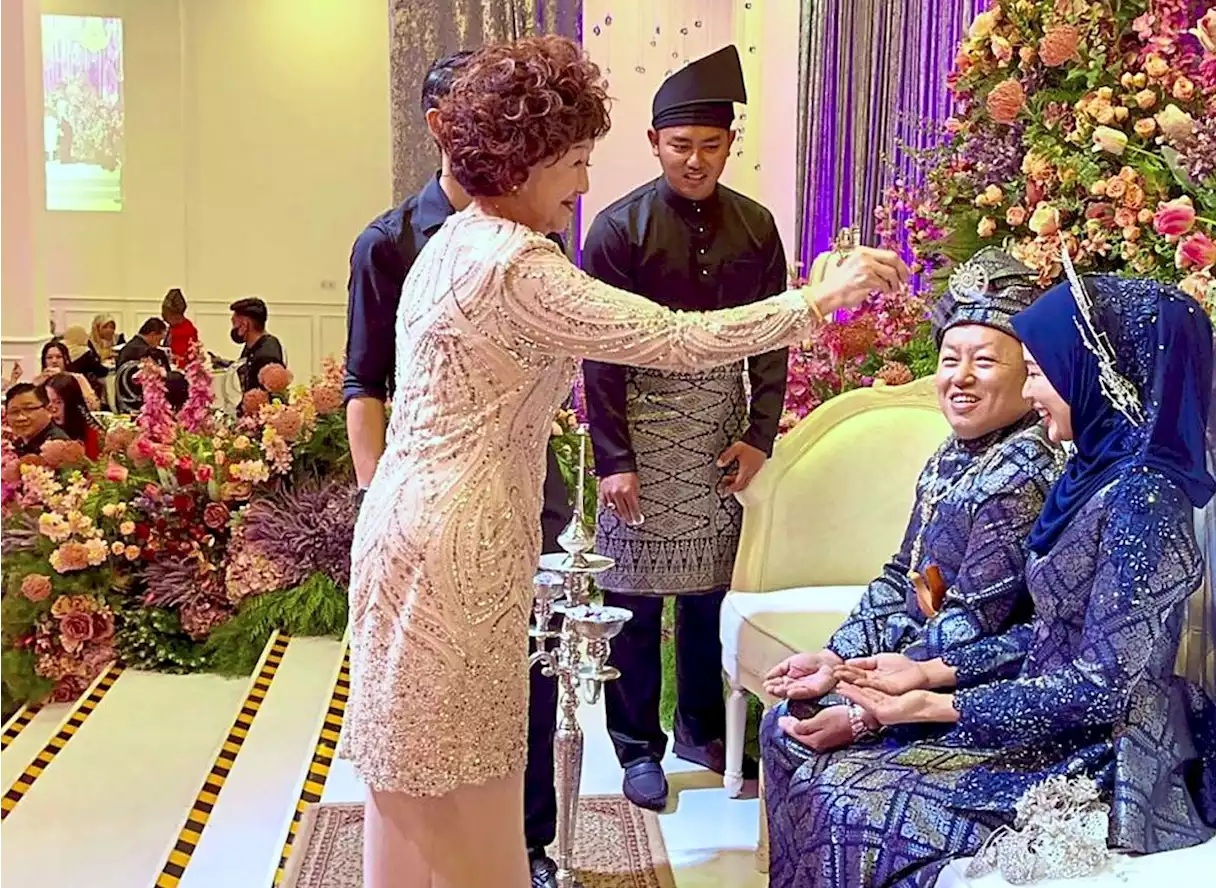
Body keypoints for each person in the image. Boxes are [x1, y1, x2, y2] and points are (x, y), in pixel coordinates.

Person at [339, 34, 908, 888]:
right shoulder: (514, 264)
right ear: (525, 162)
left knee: (423, 771)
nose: (581, 184)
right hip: (459, 539)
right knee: (456, 772)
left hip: (404, 521)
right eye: (572, 161)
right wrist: (816, 300)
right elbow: (672, 338)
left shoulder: (455, 238)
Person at [762, 263, 1216, 887]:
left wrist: (938, 706)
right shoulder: (1090, 475)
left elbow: (1105, 685)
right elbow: (1043, 630)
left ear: (1096, 374)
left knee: (854, 803)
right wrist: (923, 671)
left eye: (1037, 373)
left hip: (1103, 751)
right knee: (827, 770)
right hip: (1036, 711)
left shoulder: (1144, 501)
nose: (1033, 397)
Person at [343, 48, 574, 888]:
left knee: (525, 682)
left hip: (518, 494)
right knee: (427, 715)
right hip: (435, 505)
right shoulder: (394, 242)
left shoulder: (534, 232)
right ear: (444, 125)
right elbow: (364, 382)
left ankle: (528, 844)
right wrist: (380, 502)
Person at [579, 44, 789, 808]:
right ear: (654, 144)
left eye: (710, 146)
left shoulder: (757, 227)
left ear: (730, 145)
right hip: (637, 429)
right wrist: (613, 459)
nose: (695, 161)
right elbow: (598, 355)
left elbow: (772, 336)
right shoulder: (616, 229)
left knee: (707, 595)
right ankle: (638, 747)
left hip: (716, 434)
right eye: (680, 147)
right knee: (632, 603)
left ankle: (702, 726)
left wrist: (760, 433)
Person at [762, 249, 1065, 750]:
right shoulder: (953, 453)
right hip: (914, 664)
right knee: (790, 719)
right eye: (950, 360)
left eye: (984, 361)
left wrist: (865, 699)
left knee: (796, 740)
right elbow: (901, 573)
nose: (959, 377)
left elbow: (976, 620)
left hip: (980, 683)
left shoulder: (1021, 469)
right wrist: (837, 657)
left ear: (1028, 374)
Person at [229, 298, 284, 397]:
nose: (233, 328)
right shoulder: (252, 346)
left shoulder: (267, 354)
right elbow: (243, 364)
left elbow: (265, 397)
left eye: (234, 323)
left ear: (244, 325)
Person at [115, 319, 171, 413]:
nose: (159, 344)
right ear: (152, 334)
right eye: (159, 339)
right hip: (143, 400)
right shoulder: (148, 352)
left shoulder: (127, 348)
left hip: (124, 398)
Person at [42, 373, 102, 459]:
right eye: (48, 401)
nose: (51, 407)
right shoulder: (43, 428)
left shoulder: (91, 432)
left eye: (58, 402)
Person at [4, 383, 70, 458]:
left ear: (48, 410)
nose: (21, 418)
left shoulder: (58, 446)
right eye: (14, 412)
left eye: (29, 409)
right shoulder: (17, 444)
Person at [35, 339, 100, 411]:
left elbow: (94, 406)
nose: (54, 361)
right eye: (49, 357)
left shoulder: (77, 378)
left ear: (66, 359)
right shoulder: (39, 381)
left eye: (59, 357)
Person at [162, 288, 200, 367]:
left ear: (175, 315)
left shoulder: (187, 330)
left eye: (166, 314)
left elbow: (186, 358)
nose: (164, 318)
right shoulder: (172, 327)